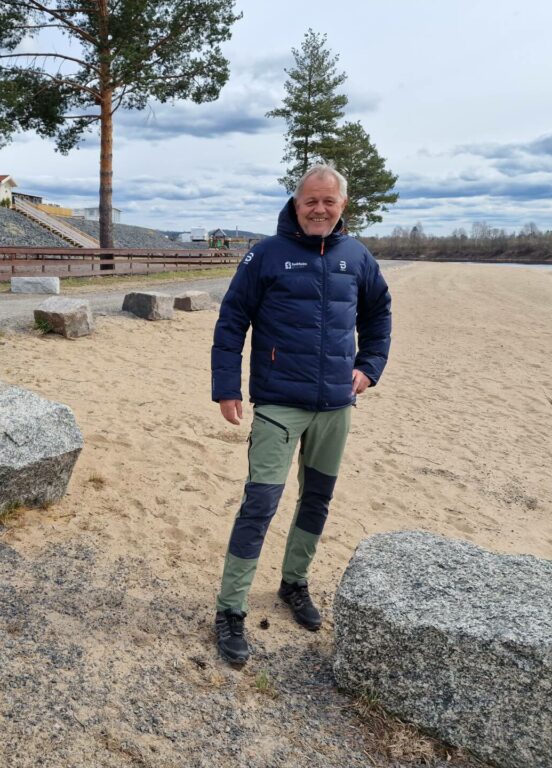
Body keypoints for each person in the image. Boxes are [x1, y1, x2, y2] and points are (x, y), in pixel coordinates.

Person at [210, 164, 392, 664]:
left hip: (336, 405)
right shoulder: (265, 254)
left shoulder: (356, 257)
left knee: (317, 500)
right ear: (296, 203)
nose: (319, 209)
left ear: (342, 206)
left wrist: (369, 367)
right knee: (260, 504)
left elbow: (379, 314)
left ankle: (294, 582)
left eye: (328, 201)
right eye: (310, 200)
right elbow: (232, 321)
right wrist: (227, 387)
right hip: (277, 404)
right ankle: (230, 609)